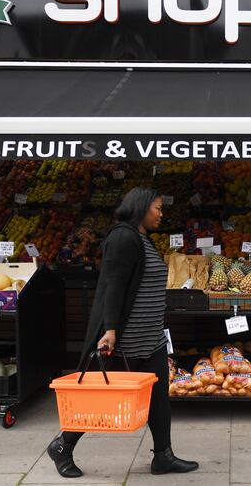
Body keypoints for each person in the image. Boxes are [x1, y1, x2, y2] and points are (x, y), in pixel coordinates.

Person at [47, 187, 199, 478]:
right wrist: (112, 330)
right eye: (157, 208)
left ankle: (163, 456)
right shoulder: (122, 237)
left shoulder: (140, 238)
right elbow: (113, 287)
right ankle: (62, 445)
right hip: (125, 339)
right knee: (98, 398)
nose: (161, 214)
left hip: (150, 337)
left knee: (158, 397)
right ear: (141, 207)